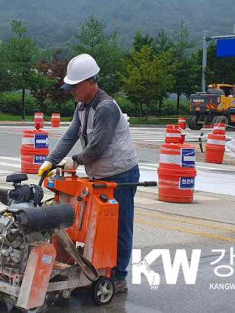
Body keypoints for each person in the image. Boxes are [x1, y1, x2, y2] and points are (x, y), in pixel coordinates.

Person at [37, 53, 139, 293]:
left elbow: (97, 149)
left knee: (120, 227)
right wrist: (50, 161)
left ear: (91, 82)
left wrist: (73, 161)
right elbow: (71, 134)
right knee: (90, 226)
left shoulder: (106, 108)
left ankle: (119, 276)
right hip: (99, 176)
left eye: (75, 86)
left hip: (121, 175)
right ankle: (94, 269)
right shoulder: (82, 107)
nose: (71, 91)